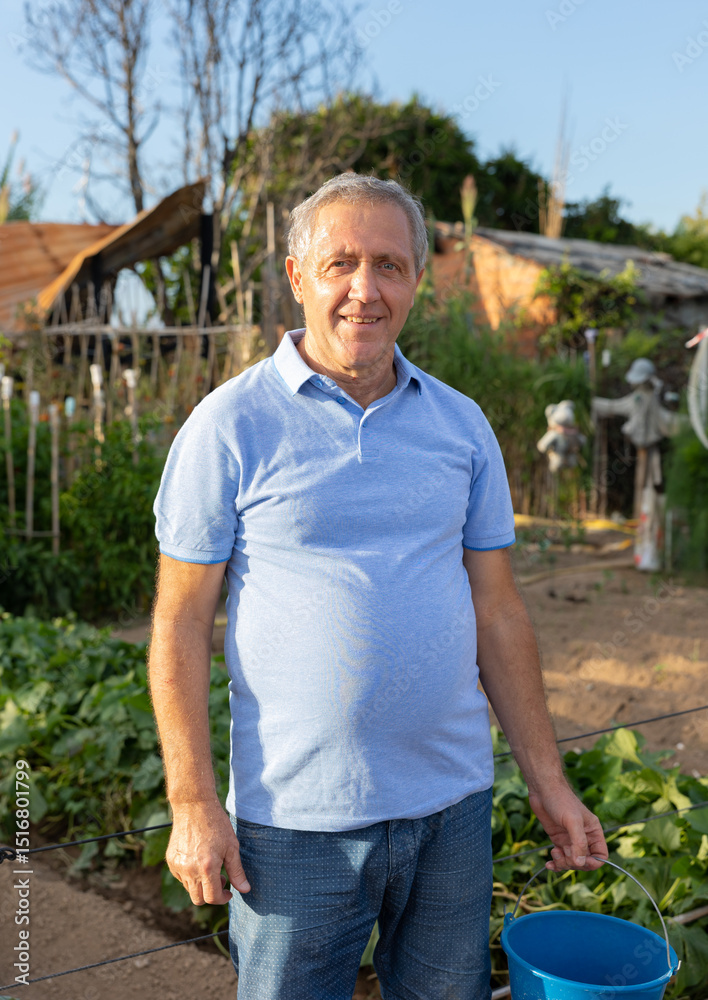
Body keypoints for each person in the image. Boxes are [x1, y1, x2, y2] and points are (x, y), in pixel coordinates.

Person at [149, 173, 607, 1000]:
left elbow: (498, 613)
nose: (366, 289)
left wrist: (548, 780)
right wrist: (192, 801)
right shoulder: (231, 424)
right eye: (341, 264)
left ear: (417, 282)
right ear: (297, 277)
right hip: (295, 824)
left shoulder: (461, 424)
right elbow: (179, 623)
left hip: (453, 809)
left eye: (390, 266)